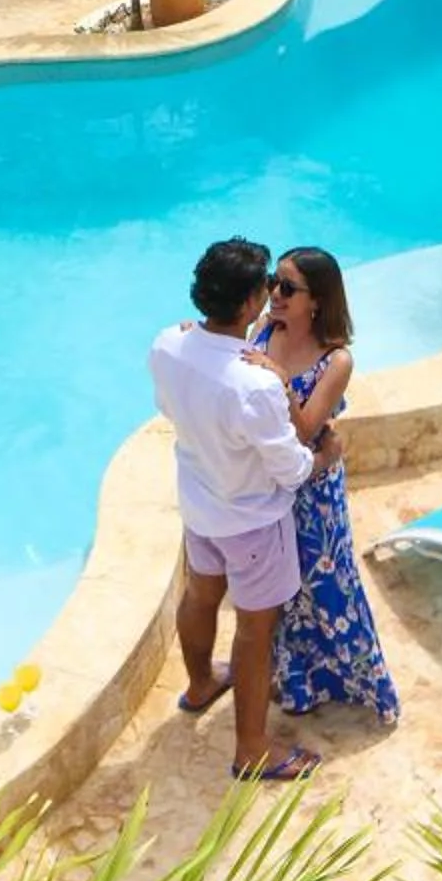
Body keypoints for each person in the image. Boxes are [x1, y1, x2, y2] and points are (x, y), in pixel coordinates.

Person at [149, 236, 319, 784]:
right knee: (253, 628)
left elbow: (166, 404)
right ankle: (252, 748)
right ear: (250, 305)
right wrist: (325, 454)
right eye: (268, 287)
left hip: (199, 507)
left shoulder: (167, 344)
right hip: (252, 521)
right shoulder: (255, 385)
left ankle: (200, 684)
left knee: (201, 593)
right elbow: (291, 469)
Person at [253, 247, 399, 726]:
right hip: (274, 485)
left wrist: (276, 379)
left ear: (316, 301)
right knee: (284, 590)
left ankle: (356, 680)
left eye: (288, 288)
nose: (274, 294)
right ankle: (296, 681)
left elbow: (303, 429)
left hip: (314, 494)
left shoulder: (336, 361)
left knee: (328, 585)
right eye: (275, 282)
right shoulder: (266, 331)